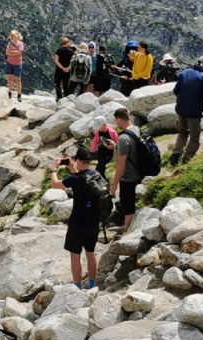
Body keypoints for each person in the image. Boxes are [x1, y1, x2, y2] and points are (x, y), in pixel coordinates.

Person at [51, 146, 103, 288]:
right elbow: (83, 178)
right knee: (91, 253)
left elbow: (55, 184)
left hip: (77, 223)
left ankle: (77, 287)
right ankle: (92, 284)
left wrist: (54, 168)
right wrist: (72, 167)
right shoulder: (96, 175)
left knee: (75, 256)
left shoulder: (74, 179)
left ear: (78, 160)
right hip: (94, 221)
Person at [170, 56, 203, 165]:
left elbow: (176, 90)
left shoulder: (184, 73)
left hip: (181, 109)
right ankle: (187, 159)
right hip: (194, 112)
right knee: (194, 136)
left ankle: (175, 155)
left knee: (182, 133)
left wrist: (183, 100)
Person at [110, 107, 143, 229]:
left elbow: (121, 165)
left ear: (119, 119)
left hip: (129, 177)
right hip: (141, 172)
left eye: (116, 120)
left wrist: (114, 185)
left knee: (128, 204)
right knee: (135, 201)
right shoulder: (137, 130)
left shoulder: (123, 138)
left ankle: (127, 228)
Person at [5, 30, 25, 101]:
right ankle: (9, 93)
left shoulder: (21, 43)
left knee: (18, 80)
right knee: (10, 79)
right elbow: (7, 52)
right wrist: (14, 53)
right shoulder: (9, 43)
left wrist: (11, 52)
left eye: (13, 35)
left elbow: (20, 52)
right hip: (9, 62)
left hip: (17, 63)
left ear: (17, 36)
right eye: (11, 35)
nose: (11, 37)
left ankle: (19, 95)